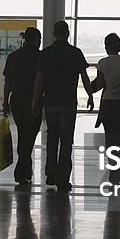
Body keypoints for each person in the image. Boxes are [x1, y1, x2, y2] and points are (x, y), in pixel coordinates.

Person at [32, 21, 93, 193]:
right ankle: (63, 178)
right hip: (68, 102)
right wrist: (90, 95)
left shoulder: (45, 54)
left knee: (52, 137)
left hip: (50, 102)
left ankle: (50, 172)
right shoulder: (75, 53)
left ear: (53, 33)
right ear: (67, 33)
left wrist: (35, 101)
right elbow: (84, 77)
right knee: (66, 141)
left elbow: (39, 80)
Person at [90, 33, 120, 184]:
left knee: (110, 140)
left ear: (107, 46)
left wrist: (87, 87)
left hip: (108, 106)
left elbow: (99, 85)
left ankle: (113, 173)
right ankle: (118, 176)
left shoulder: (103, 63)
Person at [3, 27, 43, 188]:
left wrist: (5, 102)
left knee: (22, 133)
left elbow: (8, 83)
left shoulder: (13, 57)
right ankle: (22, 170)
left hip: (17, 99)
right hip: (33, 99)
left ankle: (25, 170)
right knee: (30, 136)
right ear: (36, 39)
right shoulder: (40, 57)